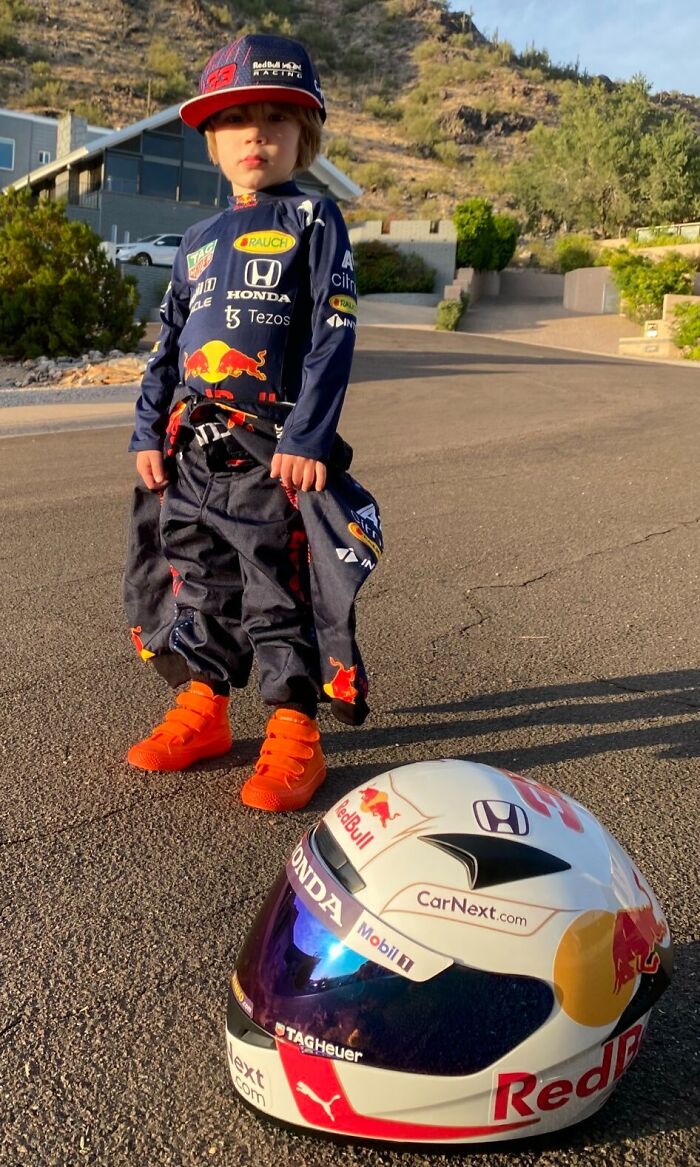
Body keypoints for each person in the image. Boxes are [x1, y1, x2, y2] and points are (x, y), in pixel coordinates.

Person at [123, 33, 380, 813]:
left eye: (276, 119)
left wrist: (307, 436)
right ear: (211, 139)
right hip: (191, 450)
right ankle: (204, 706)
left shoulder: (315, 218)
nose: (255, 135)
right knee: (198, 580)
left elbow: (334, 330)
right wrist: (146, 431)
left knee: (277, 588)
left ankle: (295, 725)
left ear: (306, 137)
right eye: (236, 120)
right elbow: (167, 343)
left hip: (272, 453)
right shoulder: (196, 242)